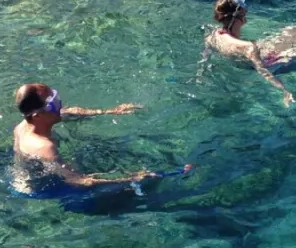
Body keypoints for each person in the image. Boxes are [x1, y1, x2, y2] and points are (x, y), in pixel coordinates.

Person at [11, 82, 176, 193]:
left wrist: (111, 111)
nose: (60, 105)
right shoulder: (44, 147)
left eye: (56, 97)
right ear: (38, 115)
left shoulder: (25, 124)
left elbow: (67, 113)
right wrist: (132, 178)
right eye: (54, 103)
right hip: (40, 189)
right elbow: (78, 181)